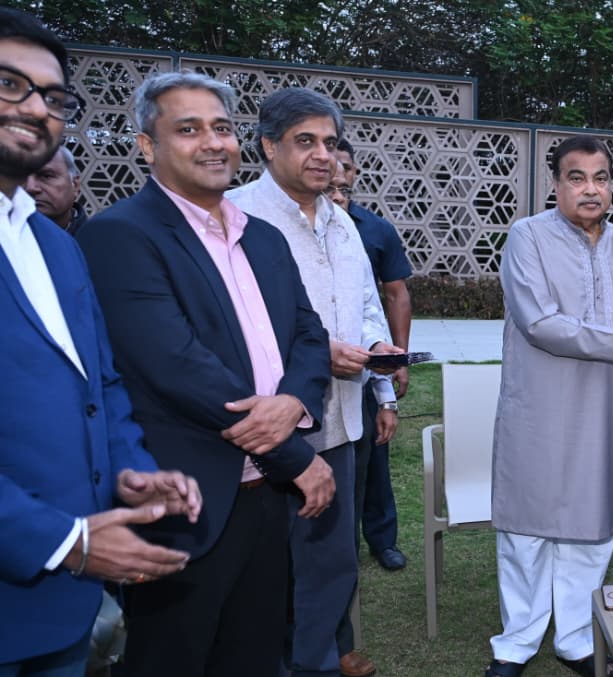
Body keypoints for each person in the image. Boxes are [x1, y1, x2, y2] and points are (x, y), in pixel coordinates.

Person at [76, 70, 334, 676]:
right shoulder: (119, 235)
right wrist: (296, 456)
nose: (214, 143)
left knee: (254, 655)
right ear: (148, 145)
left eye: (222, 128)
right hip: (186, 501)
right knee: (172, 659)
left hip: (266, 499)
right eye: (189, 130)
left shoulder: (263, 237)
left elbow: (308, 335)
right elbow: (176, 365)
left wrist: (294, 403)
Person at [0, 10, 201, 673]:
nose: (36, 108)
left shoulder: (57, 246)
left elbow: (99, 385)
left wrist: (129, 469)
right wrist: (64, 541)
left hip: (61, 613)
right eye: (9, 84)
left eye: (54, 97)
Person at [487, 135, 613, 677]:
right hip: (540, 407)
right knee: (527, 528)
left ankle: (574, 638)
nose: (591, 189)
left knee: (591, 527)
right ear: (556, 184)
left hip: (602, 408)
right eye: (577, 178)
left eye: (601, 178)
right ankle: (516, 642)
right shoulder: (527, 236)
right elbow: (541, 323)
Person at [228, 87, 401, 677]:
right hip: (266, 429)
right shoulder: (236, 217)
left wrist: (377, 357)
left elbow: (367, 307)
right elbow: (231, 325)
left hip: (341, 422)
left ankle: (318, 661)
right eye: (305, 141)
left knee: (330, 563)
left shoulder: (342, 222)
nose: (322, 155)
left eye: (329, 142)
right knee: (267, 570)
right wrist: (321, 353)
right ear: (268, 145)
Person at [334, 137, 412, 573]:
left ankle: (382, 539)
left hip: (363, 369)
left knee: (374, 459)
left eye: (344, 167)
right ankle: (338, 550)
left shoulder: (372, 230)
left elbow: (387, 301)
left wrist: (392, 363)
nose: (337, 175)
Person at [25, 145, 86, 234]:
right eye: (21, 178)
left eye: (46, 176)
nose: (30, 187)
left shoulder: (97, 238)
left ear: (75, 185)